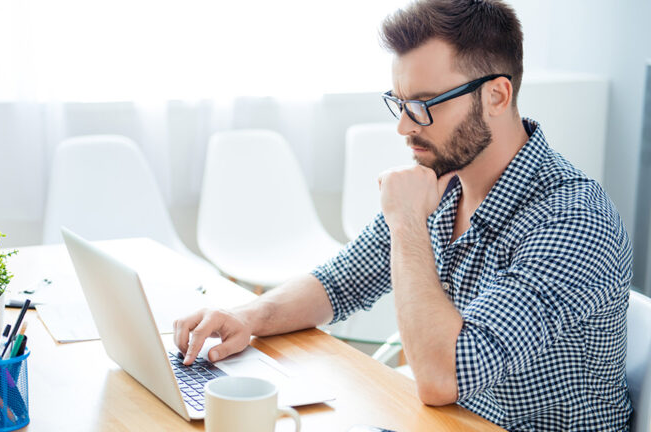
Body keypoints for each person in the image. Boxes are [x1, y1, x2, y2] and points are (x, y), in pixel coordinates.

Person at [173, 0, 633, 429]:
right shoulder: (443, 180)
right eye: (399, 102)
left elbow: (441, 378)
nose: (404, 126)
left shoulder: (573, 220)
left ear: (496, 95)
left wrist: (407, 223)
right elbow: (340, 282)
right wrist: (246, 316)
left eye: (425, 105)